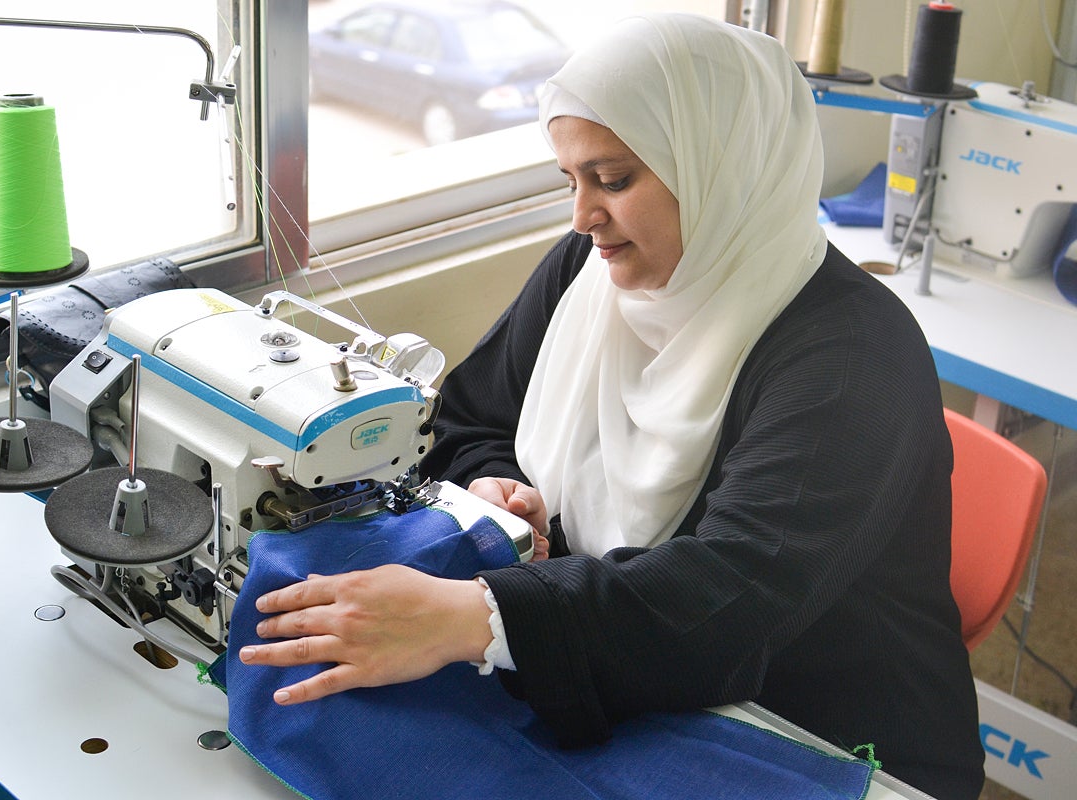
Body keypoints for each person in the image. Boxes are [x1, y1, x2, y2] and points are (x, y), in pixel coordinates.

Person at [238, 13, 985, 799]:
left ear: (720, 166)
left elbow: (726, 599)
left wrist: (473, 617)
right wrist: (495, 486)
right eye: (571, 180)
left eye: (614, 179)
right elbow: (466, 418)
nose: (582, 215)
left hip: (826, 734)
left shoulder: (852, 360)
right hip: (636, 670)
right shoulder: (591, 275)